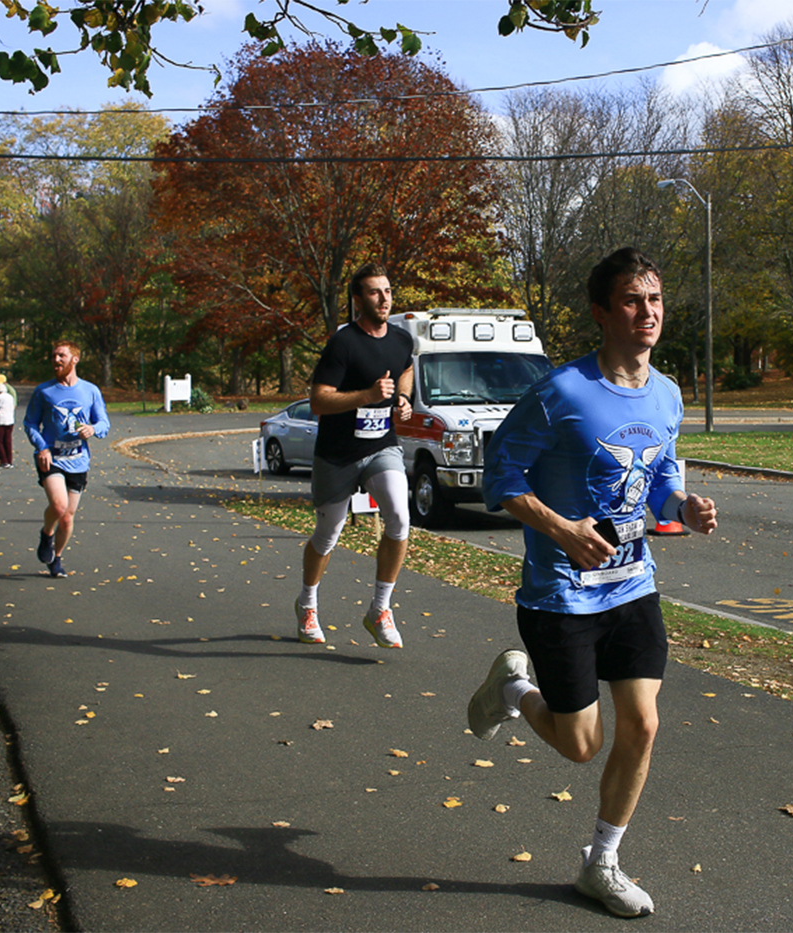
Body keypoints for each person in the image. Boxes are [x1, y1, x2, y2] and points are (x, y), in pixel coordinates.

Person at [468, 247, 717, 918]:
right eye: (633, 301)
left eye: (656, 299)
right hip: (561, 596)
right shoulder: (561, 393)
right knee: (582, 745)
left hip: (632, 586)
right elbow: (501, 477)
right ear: (603, 312)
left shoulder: (667, 394)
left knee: (643, 723)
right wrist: (561, 528)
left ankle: (601, 862)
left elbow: (659, 478)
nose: (648, 312)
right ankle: (514, 688)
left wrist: (681, 509)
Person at [294, 262, 414, 648]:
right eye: (375, 292)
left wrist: (403, 399)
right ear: (358, 299)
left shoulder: (400, 339)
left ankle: (380, 608)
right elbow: (318, 401)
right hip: (338, 454)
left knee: (399, 516)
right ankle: (307, 603)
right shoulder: (343, 343)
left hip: (381, 446)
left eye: (388, 291)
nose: (384, 299)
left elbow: (406, 369)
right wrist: (367, 396)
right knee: (328, 534)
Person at [23, 340, 110, 578]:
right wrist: (41, 447)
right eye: (53, 356)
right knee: (59, 506)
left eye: (61, 355)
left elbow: (104, 422)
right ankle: (46, 534)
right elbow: (30, 422)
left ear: (75, 359)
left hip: (78, 460)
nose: (56, 360)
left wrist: (93, 429)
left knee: (68, 517)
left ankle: (57, 558)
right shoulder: (44, 391)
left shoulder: (90, 390)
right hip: (51, 458)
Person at [0, 382, 17, 468]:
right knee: (8, 441)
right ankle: (9, 461)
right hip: (10, 420)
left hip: (1, 421)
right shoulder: (10, 397)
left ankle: (4, 461)